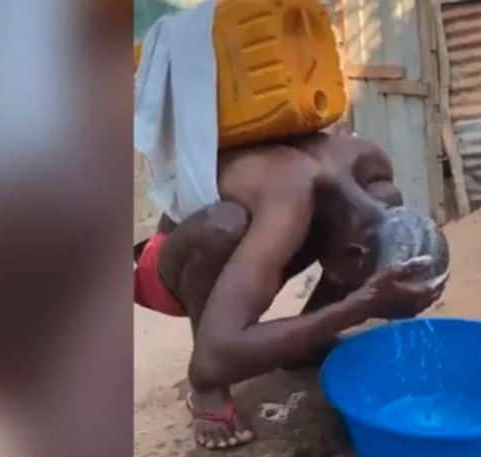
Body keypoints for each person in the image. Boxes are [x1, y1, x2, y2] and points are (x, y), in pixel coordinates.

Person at [134, 133, 447, 449]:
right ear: (354, 256)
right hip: (166, 267)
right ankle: (208, 393)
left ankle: (307, 345)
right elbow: (212, 358)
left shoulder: (370, 166)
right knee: (223, 227)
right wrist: (359, 305)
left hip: (272, 213)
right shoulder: (288, 201)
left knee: (385, 194)